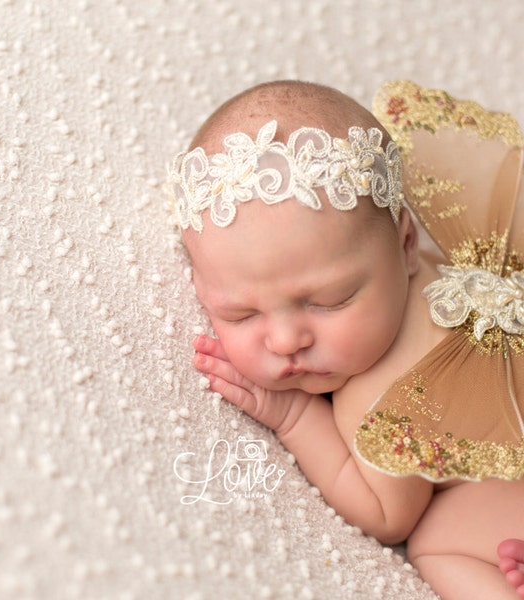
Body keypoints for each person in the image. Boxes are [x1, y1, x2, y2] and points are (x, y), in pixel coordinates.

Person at [167, 79, 524, 599]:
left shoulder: (386, 399)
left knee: (435, 542)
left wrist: (293, 416)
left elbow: (388, 515)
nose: (287, 339)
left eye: (329, 301)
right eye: (240, 313)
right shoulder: (439, 260)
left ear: (405, 244)